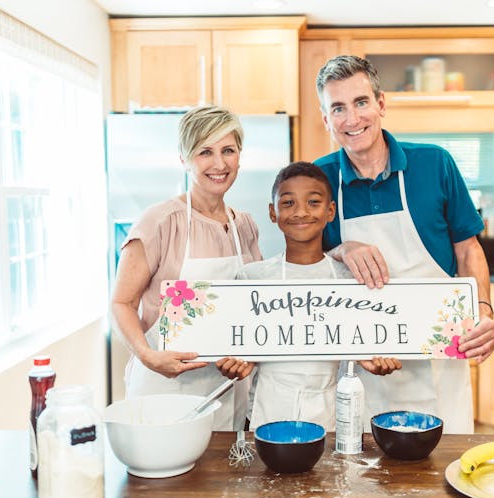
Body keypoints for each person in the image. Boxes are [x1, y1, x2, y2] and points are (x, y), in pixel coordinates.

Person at [313, 55, 494, 434]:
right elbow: (306, 262)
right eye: (338, 108)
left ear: (381, 104)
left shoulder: (435, 164)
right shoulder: (319, 178)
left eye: (361, 102)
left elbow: (467, 248)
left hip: (439, 359)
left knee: (443, 471)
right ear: (326, 119)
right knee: (364, 478)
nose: (352, 119)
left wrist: (482, 310)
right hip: (362, 362)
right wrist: (342, 249)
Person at [111, 105, 259, 431]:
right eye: (205, 152)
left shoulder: (244, 225)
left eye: (228, 151)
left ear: (239, 156)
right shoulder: (160, 221)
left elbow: (252, 306)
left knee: (220, 479)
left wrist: (248, 354)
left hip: (226, 390)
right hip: (165, 388)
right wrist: (148, 356)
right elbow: (121, 303)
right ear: (185, 158)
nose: (219, 164)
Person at [235, 162, 401, 431]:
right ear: (272, 213)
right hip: (266, 408)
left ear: (330, 211)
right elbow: (240, 347)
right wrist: (236, 361)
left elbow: (362, 338)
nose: (300, 212)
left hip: (332, 411)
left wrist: (372, 356)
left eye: (313, 202)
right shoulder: (251, 278)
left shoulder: (351, 280)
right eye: (288, 203)